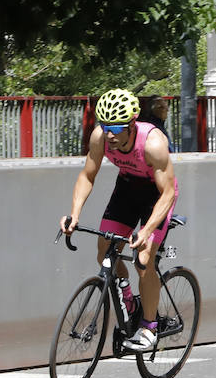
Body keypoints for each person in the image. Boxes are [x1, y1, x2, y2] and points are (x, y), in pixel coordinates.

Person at [60, 89, 178, 353]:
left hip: (157, 194)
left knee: (143, 259)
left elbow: (168, 192)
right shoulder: (101, 137)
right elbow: (87, 175)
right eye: (105, 126)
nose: (110, 134)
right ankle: (130, 302)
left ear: (132, 123)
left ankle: (149, 327)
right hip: (128, 187)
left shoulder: (153, 143)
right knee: (105, 250)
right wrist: (74, 214)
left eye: (116, 127)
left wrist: (146, 231)